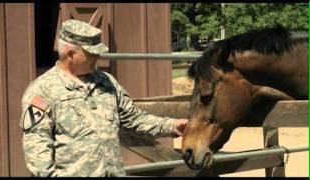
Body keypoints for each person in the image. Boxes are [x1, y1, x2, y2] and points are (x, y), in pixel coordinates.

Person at [19, 19, 188, 177]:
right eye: (91, 53)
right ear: (70, 54)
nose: (97, 57)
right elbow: (37, 148)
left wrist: (171, 126)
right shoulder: (42, 91)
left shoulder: (106, 82)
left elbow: (134, 118)